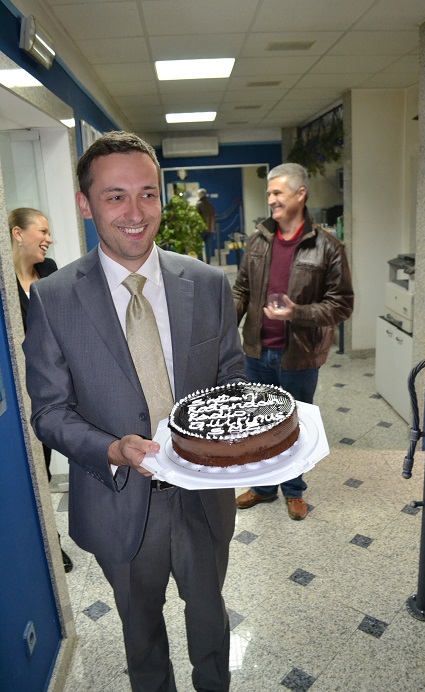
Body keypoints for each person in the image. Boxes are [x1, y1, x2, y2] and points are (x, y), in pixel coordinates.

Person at [23, 131, 246, 692]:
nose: (135, 212)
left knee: (210, 619)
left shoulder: (207, 284)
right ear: (85, 203)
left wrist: (227, 439)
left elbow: (231, 377)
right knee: (140, 634)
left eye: (147, 193)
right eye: (115, 196)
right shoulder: (54, 299)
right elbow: (49, 411)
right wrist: (112, 448)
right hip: (118, 500)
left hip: (201, 494)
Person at [233, 162, 354, 520]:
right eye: (269, 193)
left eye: (277, 192)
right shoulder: (258, 240)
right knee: (261, 424)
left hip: (298, 355)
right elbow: (242, 290)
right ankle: (264, 487)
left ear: (301, 194)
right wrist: (223, 328)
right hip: (257, 351)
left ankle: (294, 490)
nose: (271, 199)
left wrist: (296, 313)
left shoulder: (328, 247)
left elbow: (341, 305)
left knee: (293, 426)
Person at [9, 207, 73, 573]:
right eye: (43, 232)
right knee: (27, 475)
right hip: (18, 392)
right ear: (18, 233)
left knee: (44, 469)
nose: (49, 239)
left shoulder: (49, 271)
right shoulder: (4, 282)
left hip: (52, 388)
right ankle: (45, 544)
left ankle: (51, 539)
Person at [196, 188, 215, 263]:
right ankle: (208, 263)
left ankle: (201, 263)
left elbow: (196, 217)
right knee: (208, 248)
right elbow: (213, 216)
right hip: (210, 229)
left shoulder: (198, 204)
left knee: (199, 247)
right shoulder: (210, 205)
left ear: (200, 195)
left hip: (201, 229)